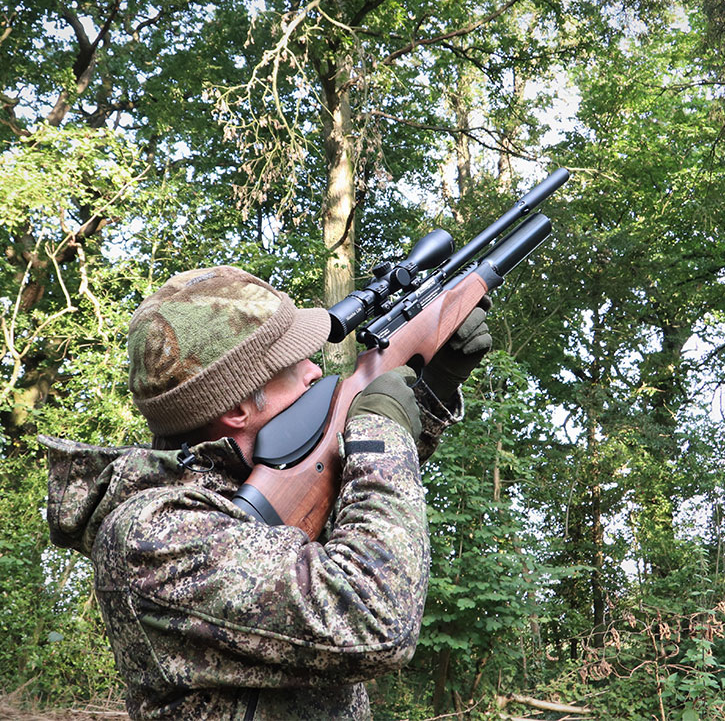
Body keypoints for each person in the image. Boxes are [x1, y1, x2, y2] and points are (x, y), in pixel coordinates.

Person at [43, 265, 491, 720]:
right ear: (238, 406)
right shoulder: (153, 532)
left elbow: (363, 513)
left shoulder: (251, 491)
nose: (315, 370)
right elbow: (373, 617)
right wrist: (379, 431)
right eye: (294, 361)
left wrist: (433, 390)